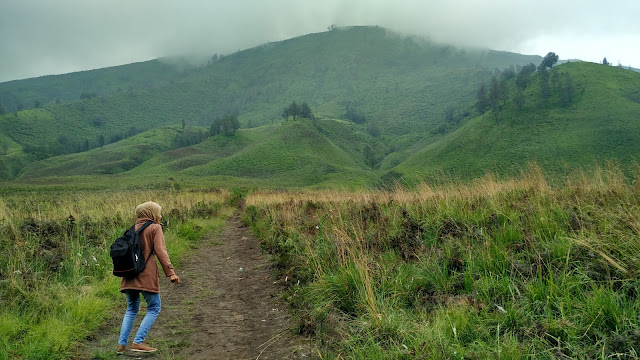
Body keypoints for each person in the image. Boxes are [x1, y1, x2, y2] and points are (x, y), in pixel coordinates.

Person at [116, 201, 180, 354]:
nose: (160, 215)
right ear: (151, 214)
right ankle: (138, 342)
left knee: (131, 309)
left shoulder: (131, 230)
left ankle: (121, 345)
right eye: (158, 212)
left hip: (128, 276)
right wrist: (171, 272)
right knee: (154, 307)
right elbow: (161, 251)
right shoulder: (154, 228)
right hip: (146, 276)